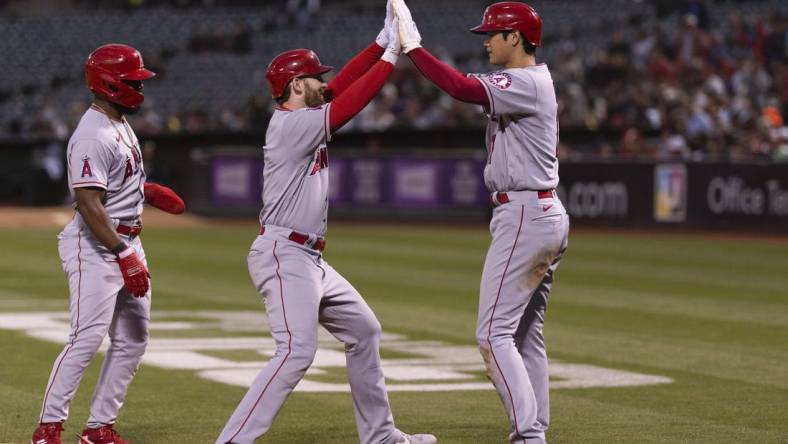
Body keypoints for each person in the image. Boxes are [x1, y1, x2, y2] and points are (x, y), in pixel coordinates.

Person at [214, 4, 436, 444]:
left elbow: (343, 84)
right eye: (315, 78)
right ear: (297, 85)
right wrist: (392, 55)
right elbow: (351, 100)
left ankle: (381, 436)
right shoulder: (291, 124)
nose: (324, 83)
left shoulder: (303, 112)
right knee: (296, 351)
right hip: (284, 254)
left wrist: (379, 41)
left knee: (364, 331)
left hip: (308, 258)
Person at [392, 1, 570, 443]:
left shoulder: (526, 81)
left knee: (492, 334)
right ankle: (537, 429)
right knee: (525, 334)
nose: (486, 41)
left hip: (526, 214)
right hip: (541, 212)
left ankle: (528, 435)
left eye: (493, 34)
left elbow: (459, 87)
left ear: (516, 37)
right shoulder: (531, 82)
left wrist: (413, 47)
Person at [30, 44, 185, 444]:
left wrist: (143, 192)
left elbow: (110, 184)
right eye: (133, 81)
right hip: (97, 246)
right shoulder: (92, 134)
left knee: (133, 338)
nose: (140, 88)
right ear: (111, 83)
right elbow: (86, 202)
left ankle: (99, 427)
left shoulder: (118, 123)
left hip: (125, 241)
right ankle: (48, 428)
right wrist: (123, 255)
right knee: (85, 337)